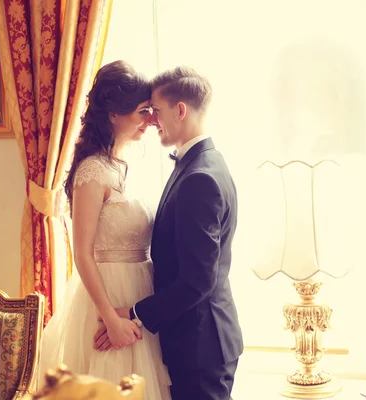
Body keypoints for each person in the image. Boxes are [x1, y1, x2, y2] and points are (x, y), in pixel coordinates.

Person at [94, 66, 244, 400]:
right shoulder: (202, 164)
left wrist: (133, 314)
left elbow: (197, 281)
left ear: (180, 110)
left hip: (200, 346)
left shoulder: (199, 177)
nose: (151, 121)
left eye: (156, 111)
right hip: (197, 341)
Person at [38, 60, 171, 400]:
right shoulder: (92, 171)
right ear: (114, 113)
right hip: (107, 294)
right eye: (144, 111)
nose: (151, 120)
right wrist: (110, 318)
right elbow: (82, 253)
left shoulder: (130, 165)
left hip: (142, 290)